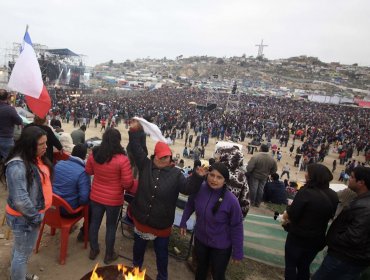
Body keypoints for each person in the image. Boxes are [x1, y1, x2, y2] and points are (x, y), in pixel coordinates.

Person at [128, 119, 207, 280]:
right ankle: (135, 274)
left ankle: (162, 277)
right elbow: (136, 148)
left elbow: (188, 189)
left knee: (162, 255)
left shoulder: (176, 174)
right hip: (141, 220)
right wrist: (135, 131)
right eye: (162, 157)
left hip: (162, 224)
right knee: (138, 251)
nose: (165, 160)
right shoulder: (145, 165)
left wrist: (198, 177)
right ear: (154, 157)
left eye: (168, 157)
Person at [3, 126, 53, 280]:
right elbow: (20, 200)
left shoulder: (34, 157)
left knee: (20, 250)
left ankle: (18, 274)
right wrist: (36, 217)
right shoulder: (17, 166)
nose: (46, 147)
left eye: (46, 143)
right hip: (25, 218)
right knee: (22, 254)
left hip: (31, 214)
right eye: (42, 144)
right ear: (29, 145)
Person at [180, 162, 244, 280]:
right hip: (201, 240)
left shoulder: (231, 201)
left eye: (219, 177)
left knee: (217, 274)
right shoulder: (200, 188)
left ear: (225, 181)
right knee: (200, 269)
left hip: (221, 246)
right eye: (212, 175)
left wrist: (238, 251)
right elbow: (190, 204)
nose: (214, 180)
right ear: (207, 175)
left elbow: (237, 226)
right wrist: (183, 222)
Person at [86, 128, 135, 264]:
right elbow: (127, 183)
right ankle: (109, 254)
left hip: (96, 196)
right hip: (113, 200)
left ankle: (93, 250)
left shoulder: (95, 154)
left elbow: (88, 170)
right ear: (118, 141)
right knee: (111, 226)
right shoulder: (122, 159)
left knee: (94, 223)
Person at [312, 166, 370, 280]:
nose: (349, 178)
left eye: (352, 177)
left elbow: (354, 237)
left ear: (361, 182)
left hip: (344, 258)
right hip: (351, 258)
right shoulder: (362, 201)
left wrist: (333, 239)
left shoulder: (364, 207)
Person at [284, 163, 338, 280]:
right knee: (304, 266)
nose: (306, 174)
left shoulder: (306, 192)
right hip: (317, 238)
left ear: (314, 176)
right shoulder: (333, 195)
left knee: (291, 265)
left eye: (308, 172)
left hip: (298, 236)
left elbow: (294, 214)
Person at [52, 143, 91, 241]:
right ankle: (84, 234)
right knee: (92, 206)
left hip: (51, 208)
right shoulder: (83, 172)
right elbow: (84, 199)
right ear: (84, 156)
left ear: (72, 153)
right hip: (68, 212)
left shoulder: (59, 164)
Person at [0, 89, 23, 162]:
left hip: (6, 139)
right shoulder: (10, 109)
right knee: (8, 161)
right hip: (6, 139)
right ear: (7, 97)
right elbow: (19, 121)